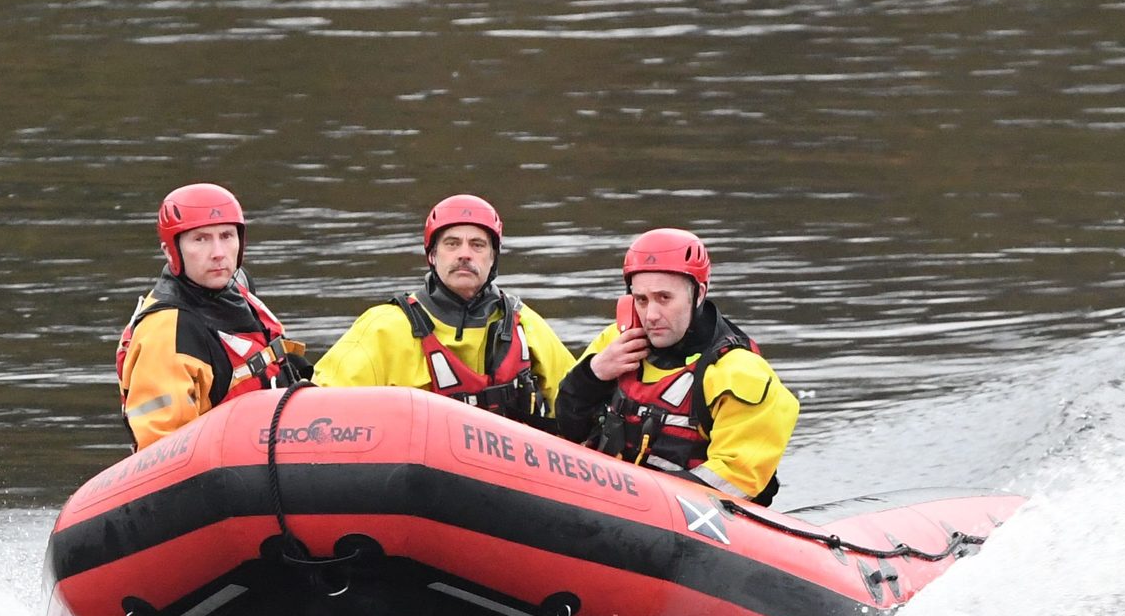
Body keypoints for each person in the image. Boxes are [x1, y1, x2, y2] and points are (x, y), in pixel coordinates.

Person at [553, 227, 798, 503]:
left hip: (687, 526)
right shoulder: (616, 342)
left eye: (664, 298)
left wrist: (633, 498)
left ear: (699, 293)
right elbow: (569, 427)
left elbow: (733, 483)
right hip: (603, 505)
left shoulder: (740, 373)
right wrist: (593, 374)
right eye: (641, 300)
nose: (652, 315)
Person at [312, 193, 575, 424]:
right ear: (432, 255)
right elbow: (321, 405)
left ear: (493, 258)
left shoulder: (525, 326)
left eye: (477, 244)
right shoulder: (384, 327)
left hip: (516, 472)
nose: (464, 254)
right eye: (452, 243)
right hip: (411, 474)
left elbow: (578, 402)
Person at [114, 183, 308, 450]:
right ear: (171, 251)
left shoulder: (239, 288)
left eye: (227, 236)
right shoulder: (168, 329)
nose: (218, 253)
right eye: (201, 239)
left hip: (276, 444)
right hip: (226, 470)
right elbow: (161, 448)